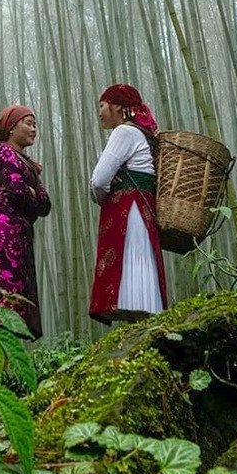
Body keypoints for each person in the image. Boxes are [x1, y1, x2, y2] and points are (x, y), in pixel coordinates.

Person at [0, 104, 50, 337]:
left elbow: (45, 204)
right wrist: (32, 192)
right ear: (11, 127)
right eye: (28, 123)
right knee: (0, 292)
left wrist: (32, 193)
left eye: (35, 125)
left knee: (12, 295)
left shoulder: (25, 162)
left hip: (18, 235)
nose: (34, 129)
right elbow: (17, 190)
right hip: (0, 234)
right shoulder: (2, 153)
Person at [88, 82, 167, 323]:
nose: (99, 112)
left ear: (118, 107)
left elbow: (99, 180)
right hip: (143, 211)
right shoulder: (143, 135)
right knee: (142, 271)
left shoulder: (124, 132)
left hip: (127, 211)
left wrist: (99, 196)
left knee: (129, 268)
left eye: (102, 106)